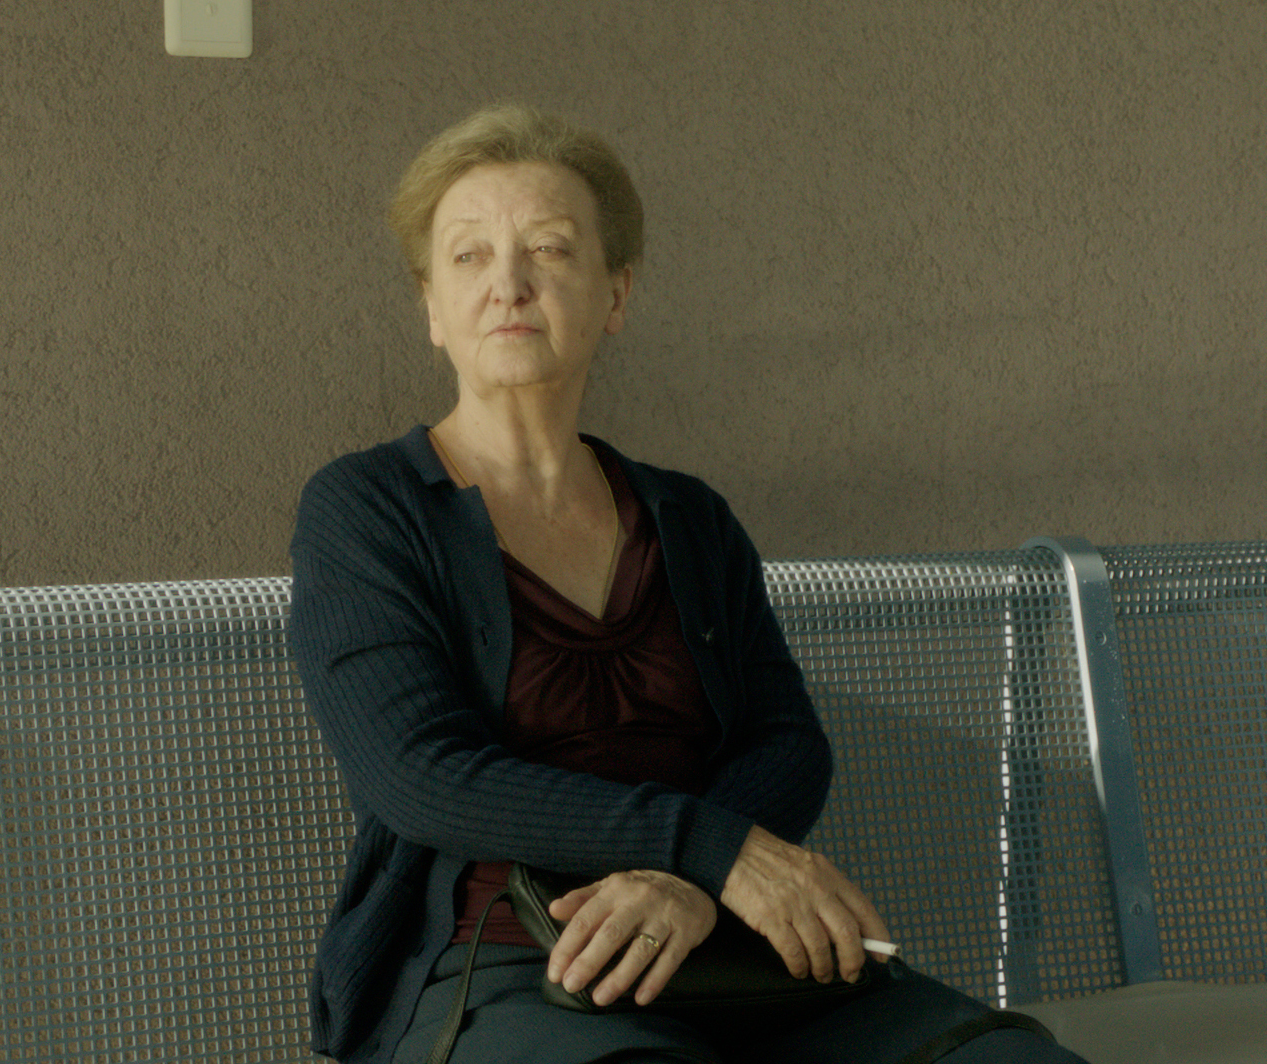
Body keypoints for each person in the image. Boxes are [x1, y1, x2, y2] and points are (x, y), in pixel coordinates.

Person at [289, 104, 1085, 1064]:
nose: (508, 283)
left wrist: (691, 884)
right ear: (430, 306)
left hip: (728, 944)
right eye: (468, 256)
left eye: (549, 249)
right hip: (507, 965)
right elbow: (418, 774)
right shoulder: (366, 509)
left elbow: (786, 740)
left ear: (615, 294)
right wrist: (713, 849)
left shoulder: (688, 518)